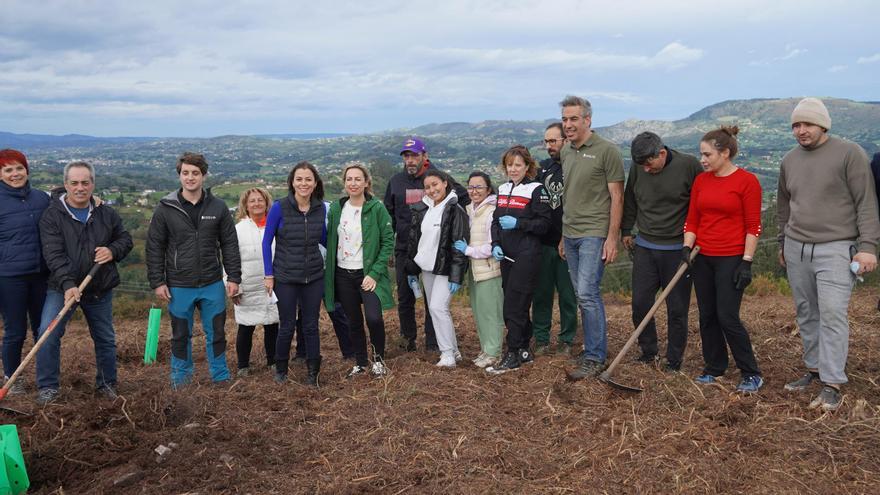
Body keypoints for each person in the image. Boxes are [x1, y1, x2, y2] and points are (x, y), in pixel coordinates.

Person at [778, 98, 880, 411]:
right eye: (796, 125)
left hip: (836, 248)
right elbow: (784, 204)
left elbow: (866, 202)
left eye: (807, 124)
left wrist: (868, 247)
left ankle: (832, 383)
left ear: (823, 125)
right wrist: (783, 242)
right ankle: (813, 370)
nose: (800, 130)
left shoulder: (850, 154)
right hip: (797, 247)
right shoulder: (789, 160)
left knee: (833, 313)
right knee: (807, 312)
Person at [35, 161, 133, 405]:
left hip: (98, 286)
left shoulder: (105, 213)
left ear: (93, 184)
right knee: (47, 333)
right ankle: (48, 387)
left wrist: (112, 251)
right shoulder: (51, 216)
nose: (80, 188)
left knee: (105, 338)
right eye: (75, 183)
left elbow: (125, 239)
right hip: (62, 288)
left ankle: (106, 385)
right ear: (66, 185)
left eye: (85, 182)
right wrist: (68, 284)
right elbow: (53, 254)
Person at [146, 152, 241, 388]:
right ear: (179, 175)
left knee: (217, 333)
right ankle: (181, 379)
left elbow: (229, 243)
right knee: (180, 335)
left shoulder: (218, 207)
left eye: (195, 173)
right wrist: (158, 281)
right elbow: (155, 246)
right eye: (185, 173)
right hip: (179, 284)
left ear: (204, 176)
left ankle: (220, 377)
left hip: (212, 282)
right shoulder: (165, 208)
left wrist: (234, 276)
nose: (190, 178)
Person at [683, 126, 764, 393]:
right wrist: (687, 247)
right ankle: (714, 367)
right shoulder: (702, 181)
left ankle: (751, 373)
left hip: (731, 257)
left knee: (727, 315)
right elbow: (693, 218)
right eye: (701, 154)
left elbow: (754, 225)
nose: (702, 160)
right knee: (707, 315)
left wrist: (747, 261)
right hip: (702, 256)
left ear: (725, 153)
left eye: (707, 154)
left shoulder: (747, 181)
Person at [621, 132, 703, 371]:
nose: (646, 169)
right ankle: (649, 351)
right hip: (646, 247)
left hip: (678, 249)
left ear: (662, 153)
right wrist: (626, 229)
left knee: (677, 309)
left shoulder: (688, 165)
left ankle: (674, 360)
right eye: (641, 164)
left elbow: (702, 202)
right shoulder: (639, 168)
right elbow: (630, 199)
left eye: (649, 163)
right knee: (640, 303)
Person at [558, 96, 625, 380]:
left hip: (594, 233)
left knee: (587, 293)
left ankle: (595, 356)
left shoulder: (607, 150)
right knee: (581, 294)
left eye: (574, 119)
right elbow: (569, 195)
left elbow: (617, 197)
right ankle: (591, 348)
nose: (568, 124)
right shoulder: (566, 152)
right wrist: (563, 235)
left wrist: (612, 238)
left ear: (588, 120)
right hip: (570, 232)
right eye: (565, 119)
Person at [385, 138, 468, 352]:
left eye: (414, 155)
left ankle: (434, 342)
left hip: (435, 249)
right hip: (406, 248)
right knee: (405, 296)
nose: (410, 160)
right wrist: (389, 248)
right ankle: (408, 338)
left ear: (424, 156)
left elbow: (463, 197)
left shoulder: (438, 177)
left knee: (434, 299)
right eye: (406, 156)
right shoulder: (396, 182)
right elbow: (389, 215)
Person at [325, 162, 395, 378]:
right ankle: (361, 362)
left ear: (366, 183)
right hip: (343, 274)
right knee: (353, 321)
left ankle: (379, 361)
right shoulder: (337, 209)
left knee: (374, 318)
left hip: (367, 274)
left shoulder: (377, 208)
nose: (353, 183)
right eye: (349, 179)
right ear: (344, 183)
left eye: (357, 179)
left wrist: (374, 273)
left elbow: (387, 242)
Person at [486, 146, 551, 374]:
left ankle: (512, 353)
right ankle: (524, 347)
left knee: (513, 306)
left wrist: (519, 224)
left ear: (527, 166)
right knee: (517, 306)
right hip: (506, 255)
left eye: (517, 165)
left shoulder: (536, 190)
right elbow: (495, 222)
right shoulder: (503, 189)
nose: (513, 169)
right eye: (509, 165)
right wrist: (495, 244)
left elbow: (545, 225)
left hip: (527, 254)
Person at [263, 162, 326, 386]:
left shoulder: (321, 208)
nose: (303, 183)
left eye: (308, 179)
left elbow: (325, 239)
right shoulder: (280, 207)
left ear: (315, 183)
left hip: (314, 277)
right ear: (292, 182)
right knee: (287, 325)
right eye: (299, 179)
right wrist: (268, 274)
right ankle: (281, 369)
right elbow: (266, 241)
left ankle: (313, 373)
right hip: (286, 277)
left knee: (311, 326)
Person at [405, 169, 469, 367]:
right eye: (427, 187)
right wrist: (411, 270)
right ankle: (454, 351)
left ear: (445, 183)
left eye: (435, 185)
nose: (432, 190)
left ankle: (447, 355)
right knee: (437, 311)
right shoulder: (423, 208)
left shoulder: (455, 209)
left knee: (437, 307)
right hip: (427, 269)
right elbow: (416, 241)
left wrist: (456, 276)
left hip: (445, 268)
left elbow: (459, 243)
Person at [0, 149, 49, 395]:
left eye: (19, 168)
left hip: (41, 274)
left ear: (27, 170)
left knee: (43, 329)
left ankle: (46, 379)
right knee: (15, 331)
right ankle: (12, 378)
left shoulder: (41, 198)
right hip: (9, 278)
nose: (15, 174)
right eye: (8, 169)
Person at [532, 123, 578, 356]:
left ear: (566, 140)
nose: (548, 146)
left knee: (568, 296)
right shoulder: (543, 169)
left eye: (553, 141)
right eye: (546, 142)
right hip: (543, 243)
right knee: (541, 294)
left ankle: (567, 340)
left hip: (568, 242)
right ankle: (541, 338)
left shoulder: (575, 167)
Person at [455, 172, 505, 369]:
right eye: (471, 187)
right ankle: (486, 349)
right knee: (479, 312)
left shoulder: (492, 211)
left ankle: (494, 352)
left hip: (489, 270)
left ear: (488, 189)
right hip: (475, 271)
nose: (474, 191)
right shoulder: (469, 210)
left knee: (491, 313)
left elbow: (492, 246)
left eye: (479, 187)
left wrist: (468, 250)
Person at [230, 187, 279, 378]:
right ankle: (243, 365)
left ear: (267, 203)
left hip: (271, 285)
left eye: (261, 200)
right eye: (252, 201)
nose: (257, 204)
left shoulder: (275, 226)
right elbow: (230, 259)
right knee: (245, 327)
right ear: (245, 205)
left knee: (272, 325)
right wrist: (233, 284)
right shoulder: (238, 230)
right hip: (247, 285)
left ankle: (273, 361)